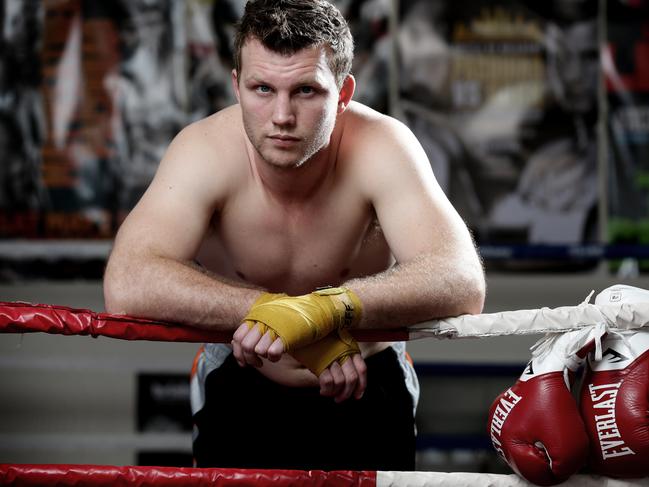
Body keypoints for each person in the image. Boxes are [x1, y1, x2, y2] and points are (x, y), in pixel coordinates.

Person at [103, 0, 485, 471]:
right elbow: (128, 280)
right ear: (236, 87)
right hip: (241, 379)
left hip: (367, 378)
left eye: (305, 90)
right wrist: (272, 312)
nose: (281, 115)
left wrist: (324, 310)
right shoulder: (203, 151)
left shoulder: (382, 146)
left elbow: (461, 280)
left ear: (343, 93)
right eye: (262, 88)